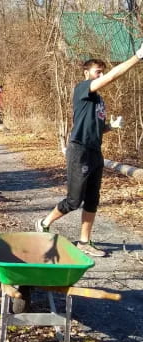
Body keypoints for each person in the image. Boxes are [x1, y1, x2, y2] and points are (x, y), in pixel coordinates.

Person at [35, 44, 143, 257]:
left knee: (93, 199)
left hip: (95, 151)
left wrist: (111, 126)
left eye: (102, 71)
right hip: (79, 150)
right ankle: (44, 223)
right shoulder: (82, 88)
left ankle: (84, 241)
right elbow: (112, 77)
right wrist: (137, 57)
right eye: (98, 71)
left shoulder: (99, 100)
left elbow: (97, 128)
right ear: (87, 73)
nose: (101, 74)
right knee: (74, 200)